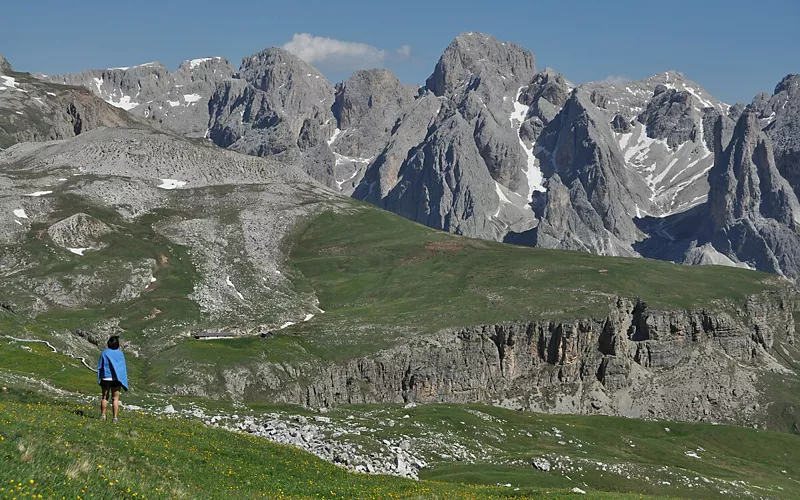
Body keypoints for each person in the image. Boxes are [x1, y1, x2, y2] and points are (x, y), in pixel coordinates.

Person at [97, 336, 129, 423]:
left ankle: (103, 416)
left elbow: (100, 366)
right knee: (115, 398)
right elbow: (122, 367)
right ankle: (115, 418)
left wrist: (100, 377)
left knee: (104, 397)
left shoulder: (104, 353)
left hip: (106, 378)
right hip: (116, 379)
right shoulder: (120, 354)